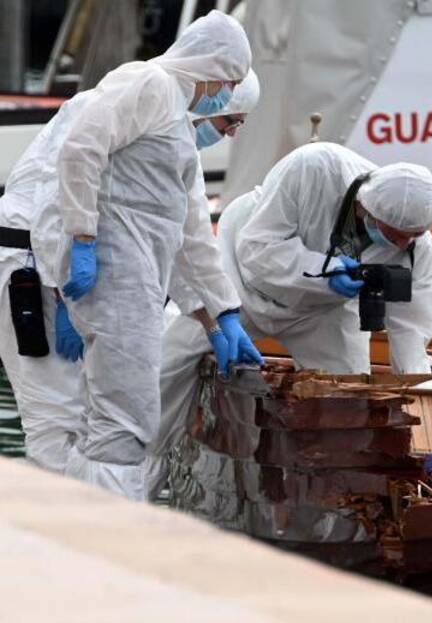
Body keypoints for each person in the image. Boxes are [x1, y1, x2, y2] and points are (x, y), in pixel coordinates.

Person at [26, 10, 261, 500]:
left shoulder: (176, 125)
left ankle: (94, 526)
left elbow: (190, 237)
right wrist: (81, 242)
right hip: (116, 279)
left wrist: (220, 316)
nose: (225, 95)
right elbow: (80, 151)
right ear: (212, 69)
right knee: (120, 422)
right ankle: (110, 534)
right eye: (228, 85)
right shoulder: (148, 82)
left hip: (136, 287)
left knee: (123, 418)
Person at [146, 143, 432, 498]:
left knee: (345, 402)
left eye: (413, 236)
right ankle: (134, 479)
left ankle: (336, 502)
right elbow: (257, 249)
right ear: (367, 207)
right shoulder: (313, 168)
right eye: (394, 234)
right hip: (239, 282)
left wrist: (427, 427)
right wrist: (324, 269)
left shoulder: (416, 247)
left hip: (322, 312)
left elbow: (411, 335)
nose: (402, 242)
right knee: (167, 364)